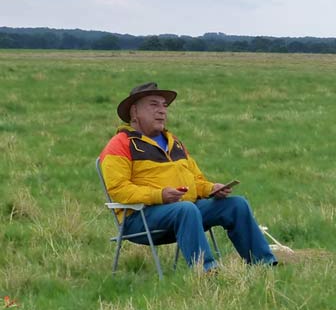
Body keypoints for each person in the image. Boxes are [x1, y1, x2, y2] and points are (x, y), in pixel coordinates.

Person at [97, 82, 277, 271]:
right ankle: (206, 272)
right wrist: (160, 195)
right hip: (139, 218)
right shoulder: (120, 145)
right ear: (134, 112)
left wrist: (211, 189)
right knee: (186, 209)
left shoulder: (175, 143)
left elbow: (195, 181)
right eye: (153, 105)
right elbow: (118, 190)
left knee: (237, 204)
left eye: (164, 106)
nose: (162, 111)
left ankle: (264, 264)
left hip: (185, 212)